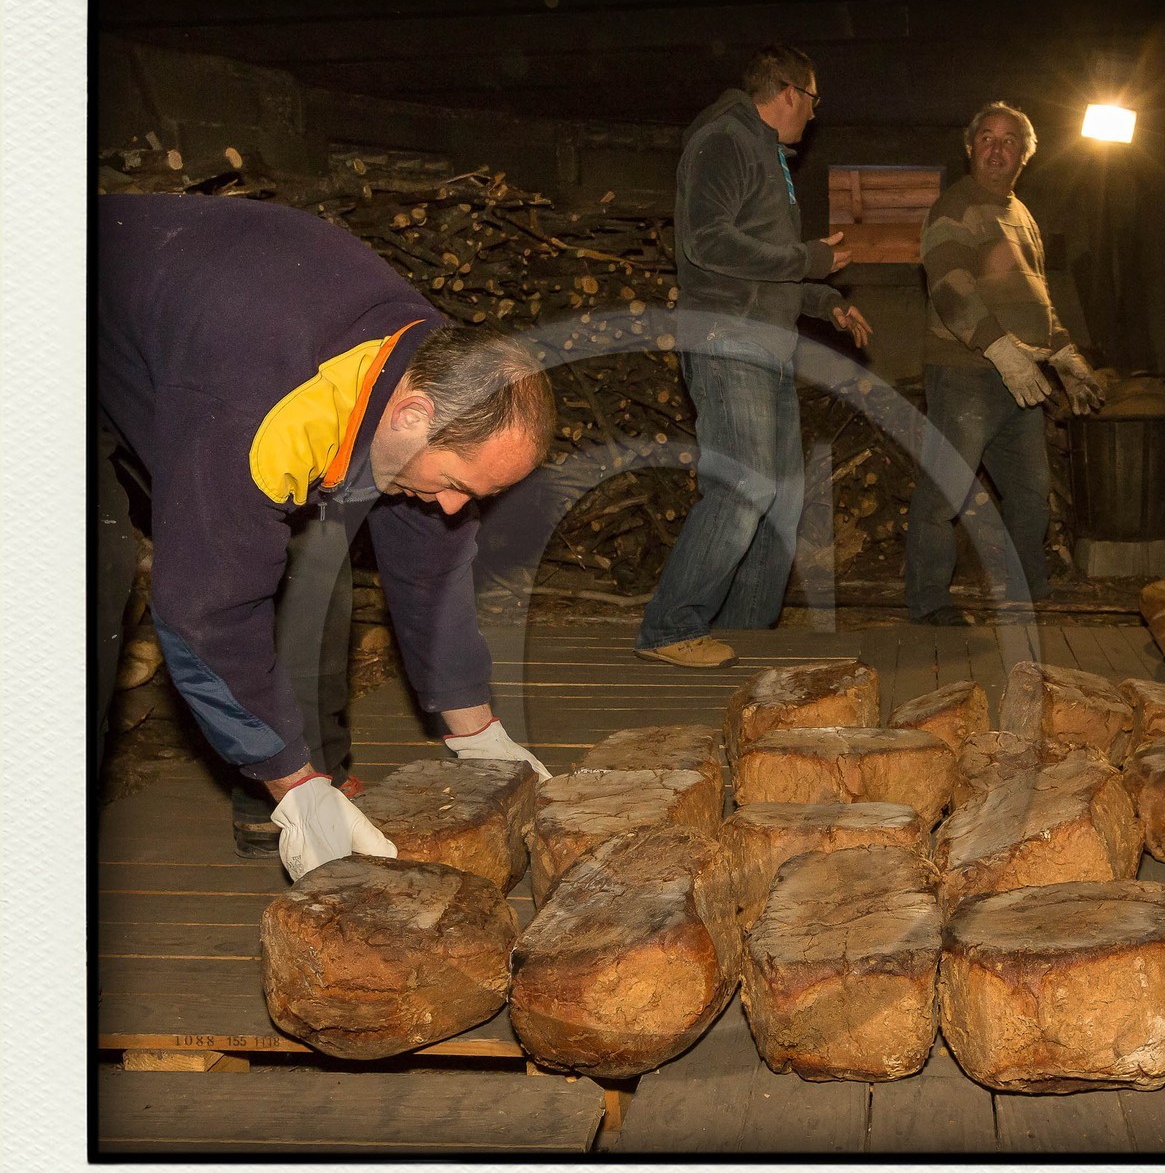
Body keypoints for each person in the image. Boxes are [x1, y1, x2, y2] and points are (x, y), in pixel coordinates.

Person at [98, 192, 555, 879]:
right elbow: (202, 610)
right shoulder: (267, 405)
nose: (457, 508)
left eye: (476, 496)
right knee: (95, 569)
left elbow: (429, 561)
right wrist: (294, 786)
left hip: (189, 337)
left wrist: (477, 731)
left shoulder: (429, 368)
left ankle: (291, 781)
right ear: (413, 414)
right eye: (457, 482)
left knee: (314, 563)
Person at [634, 44, 871, 669]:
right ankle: (670, 626)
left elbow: (760, 267)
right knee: (743, 488)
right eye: (813, 100)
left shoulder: (767, 154)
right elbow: (707, 243)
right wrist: (810, 258)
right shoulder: (725, 140)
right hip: (728, 339)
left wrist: (823, 301)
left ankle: (748, 632)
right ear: (789, 91)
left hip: (766, 342)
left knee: (782, 500)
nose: (814, 114)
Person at [906, 101, 1105, 626]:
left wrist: (1063, 352)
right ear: (970, 148)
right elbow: (949, 286)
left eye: (1009, 140)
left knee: (1030, 495)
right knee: (945, 492)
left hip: (1023, 379)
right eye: (987, 138)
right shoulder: (954, 207)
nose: (997, 149)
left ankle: (1023, 593)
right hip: (966, 372)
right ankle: (928, 602)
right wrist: (999, 349)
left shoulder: (1022, 215)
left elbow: (1037, 298)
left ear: (1025, 155)